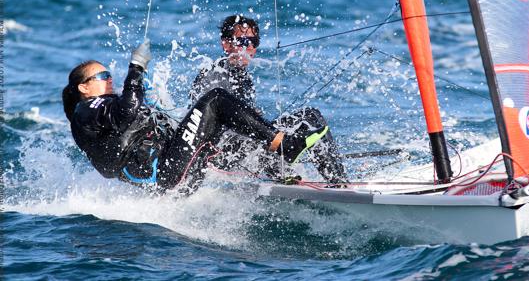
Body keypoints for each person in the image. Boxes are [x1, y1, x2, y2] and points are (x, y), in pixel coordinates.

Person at [62, 40, 331, 193]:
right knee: (215, 99)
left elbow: (131, 118)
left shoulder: (101, 111)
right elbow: (127, 113)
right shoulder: (85, 110)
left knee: (307, 117)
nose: (109, 79)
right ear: (83, 87)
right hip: (167, 175)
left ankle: (334, 181)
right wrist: (135, 69)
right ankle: (283, 146)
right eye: (102, 76)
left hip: (177, 167)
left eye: (109, 75)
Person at [190, 15, 348, 184]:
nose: (249, 47)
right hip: (220, 156)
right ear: (227, 44)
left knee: (310, 116)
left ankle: (338, 180)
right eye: (243, 41)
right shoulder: (215, 73)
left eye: (254, 42)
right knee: (256, 136)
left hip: (246, 149)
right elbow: (210, 127)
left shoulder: (243, 78)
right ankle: (287, 173)